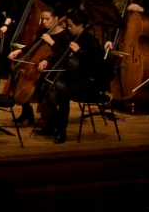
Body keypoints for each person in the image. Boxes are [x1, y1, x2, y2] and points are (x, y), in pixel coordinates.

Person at [36, 11, 105, 144]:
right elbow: (61, 52)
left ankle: (61, 132)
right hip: (75, 77)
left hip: (89, 81)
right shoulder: (72, 38)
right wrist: (47, 60)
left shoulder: (92, 42)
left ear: (81, 25)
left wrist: (79, 51)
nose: (68, 28)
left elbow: (97, 64)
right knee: (44, 86)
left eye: (71, 26)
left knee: (62, 94)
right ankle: (51, 123)